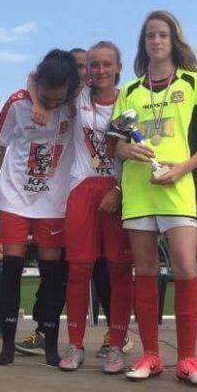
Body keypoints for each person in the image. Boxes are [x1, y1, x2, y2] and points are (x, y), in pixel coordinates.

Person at [112, 10, 197, 387]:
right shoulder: (130, 91)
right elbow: (115, 143)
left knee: (185, 267)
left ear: (174, 40)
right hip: (139, 190)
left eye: (162, 34)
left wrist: (183, 168)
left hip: (177, 188)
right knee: (144, 269)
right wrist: (126, 150)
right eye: (150, 36)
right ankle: (150, 354)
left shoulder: (194, 83)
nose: (156, 41)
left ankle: (188, 359)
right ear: (143, 43)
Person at [35, 41, 135, 374]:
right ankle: (75, 344)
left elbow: (139, 150)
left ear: (118, 67)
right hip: (82, 188)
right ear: (86, 69)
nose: (100, 70)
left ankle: (116, 345)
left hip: (119, 191)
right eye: (94, 65)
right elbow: (34, 77)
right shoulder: (77, 97)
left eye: (107, 64)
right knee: (78, 269)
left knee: (120, 271)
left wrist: (119, 190)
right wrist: (38, 103)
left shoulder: (131, 101)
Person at [0, 49, 79, 367]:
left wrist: (47, 103)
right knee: (12, 269)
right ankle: (7, 346)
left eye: (58, 98)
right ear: (38, 85)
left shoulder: (74, 104)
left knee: (51, 273)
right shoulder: (18, 103)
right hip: (16, 195)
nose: (52, 103)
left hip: (53, 201)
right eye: (46, 97)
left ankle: (50, 343)